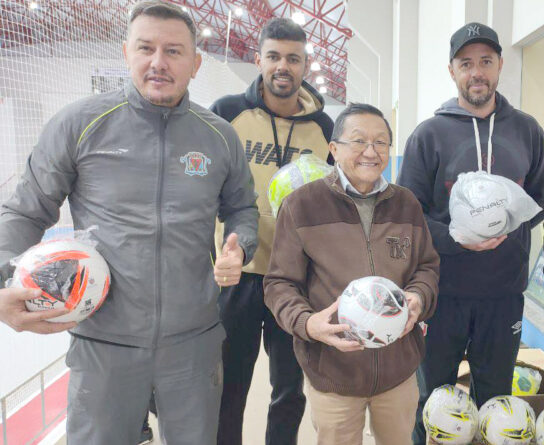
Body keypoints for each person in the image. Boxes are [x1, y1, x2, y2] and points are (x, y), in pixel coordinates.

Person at [0, 1, 259, 444]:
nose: (158, 62)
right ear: (126, 53)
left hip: (193, 342)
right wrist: (3, 281)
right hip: (103, 344)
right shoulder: (80, 125)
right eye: (145, 48)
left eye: (173, 51)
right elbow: (25, 211)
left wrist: (241, 244)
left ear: (195, 63)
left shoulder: (219, 136)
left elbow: (242, 209)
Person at [396, 22, 544, 444]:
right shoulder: (429, 134)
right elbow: (407, 215)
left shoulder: (528, 131)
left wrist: (504, 226)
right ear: (452, 71)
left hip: (503, 295)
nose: (476, 72)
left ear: (500, 65)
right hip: (441, 294)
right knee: (432, 402)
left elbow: (539, 201)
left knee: (497, 405)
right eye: (466, 64)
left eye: (485, 61)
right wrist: (456, 238)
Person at [264, 103, 440, 445]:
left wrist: (419, 296)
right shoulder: (302, 205)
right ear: (334, 149)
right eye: (358, 141)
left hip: (399, 371)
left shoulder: (407, 204)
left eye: (381, 142)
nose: (371, 152)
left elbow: (427, 267)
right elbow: (279, 283)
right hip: (334, 374)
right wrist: (307, 323)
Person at [209, 17, 333, 445]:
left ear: (305, 65)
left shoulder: (325, 128)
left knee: (288, 391)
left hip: (296, 280)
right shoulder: (227, 113)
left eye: (293, 58)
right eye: (274, 56)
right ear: (259, 60)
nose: (283, 66)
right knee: (229, 386)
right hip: (237, 277)